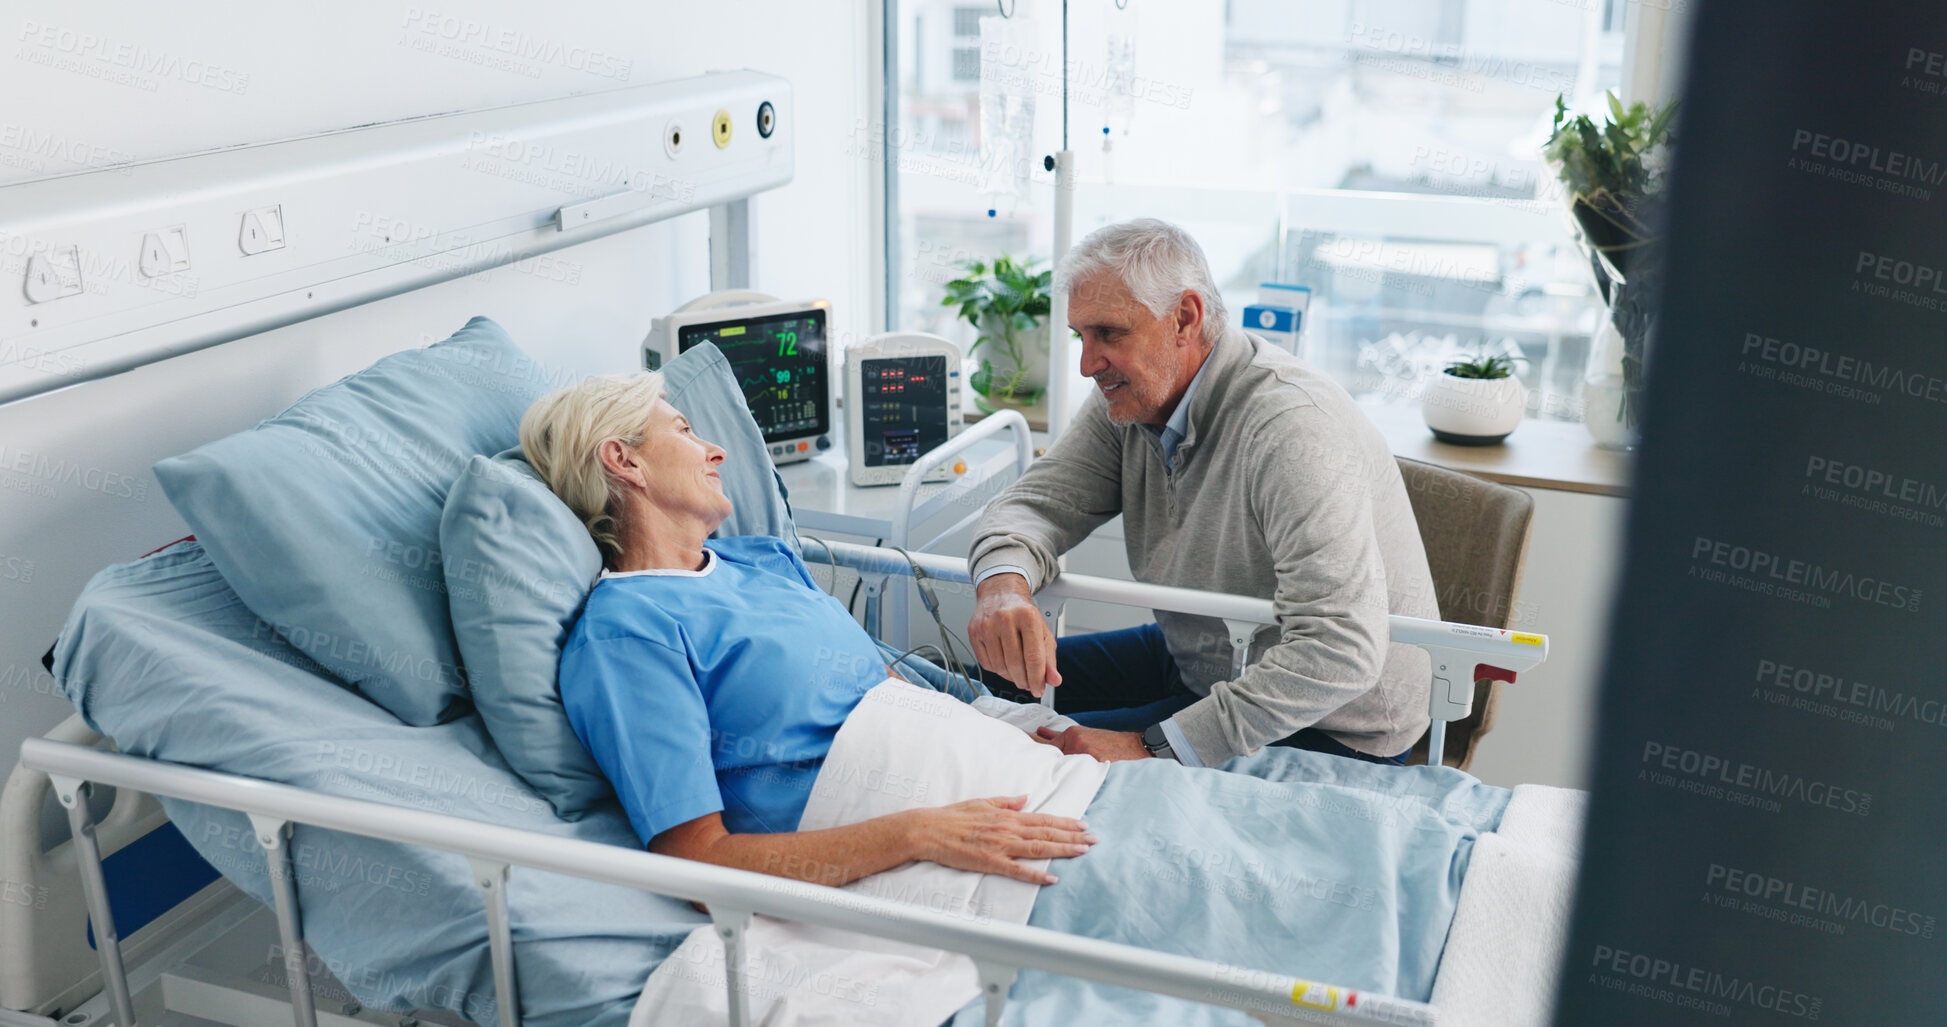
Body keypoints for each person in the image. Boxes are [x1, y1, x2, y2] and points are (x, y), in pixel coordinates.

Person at [519, 371, 1095, 888]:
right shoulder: (628, 633)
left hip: (1007, 775)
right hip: (921, 828)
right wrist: (918, 833)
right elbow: (695, 859)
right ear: (624, 460)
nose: (716, 451)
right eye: (686, 431)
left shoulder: (758, 558)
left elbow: (878, 680)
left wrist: (995, 725)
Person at [966, 218, 1439, 769]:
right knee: (984, 688)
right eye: (1081, 336)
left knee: (1038, 757)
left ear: (1185, 319)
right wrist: (1002, 585)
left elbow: (1340, 649)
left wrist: (1149, 746)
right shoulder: (1130, 398)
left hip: (1331, 718)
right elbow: (1035, 506)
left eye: (1109, 333)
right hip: (1209, 651)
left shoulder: (1292, 428)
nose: (1086, 363)